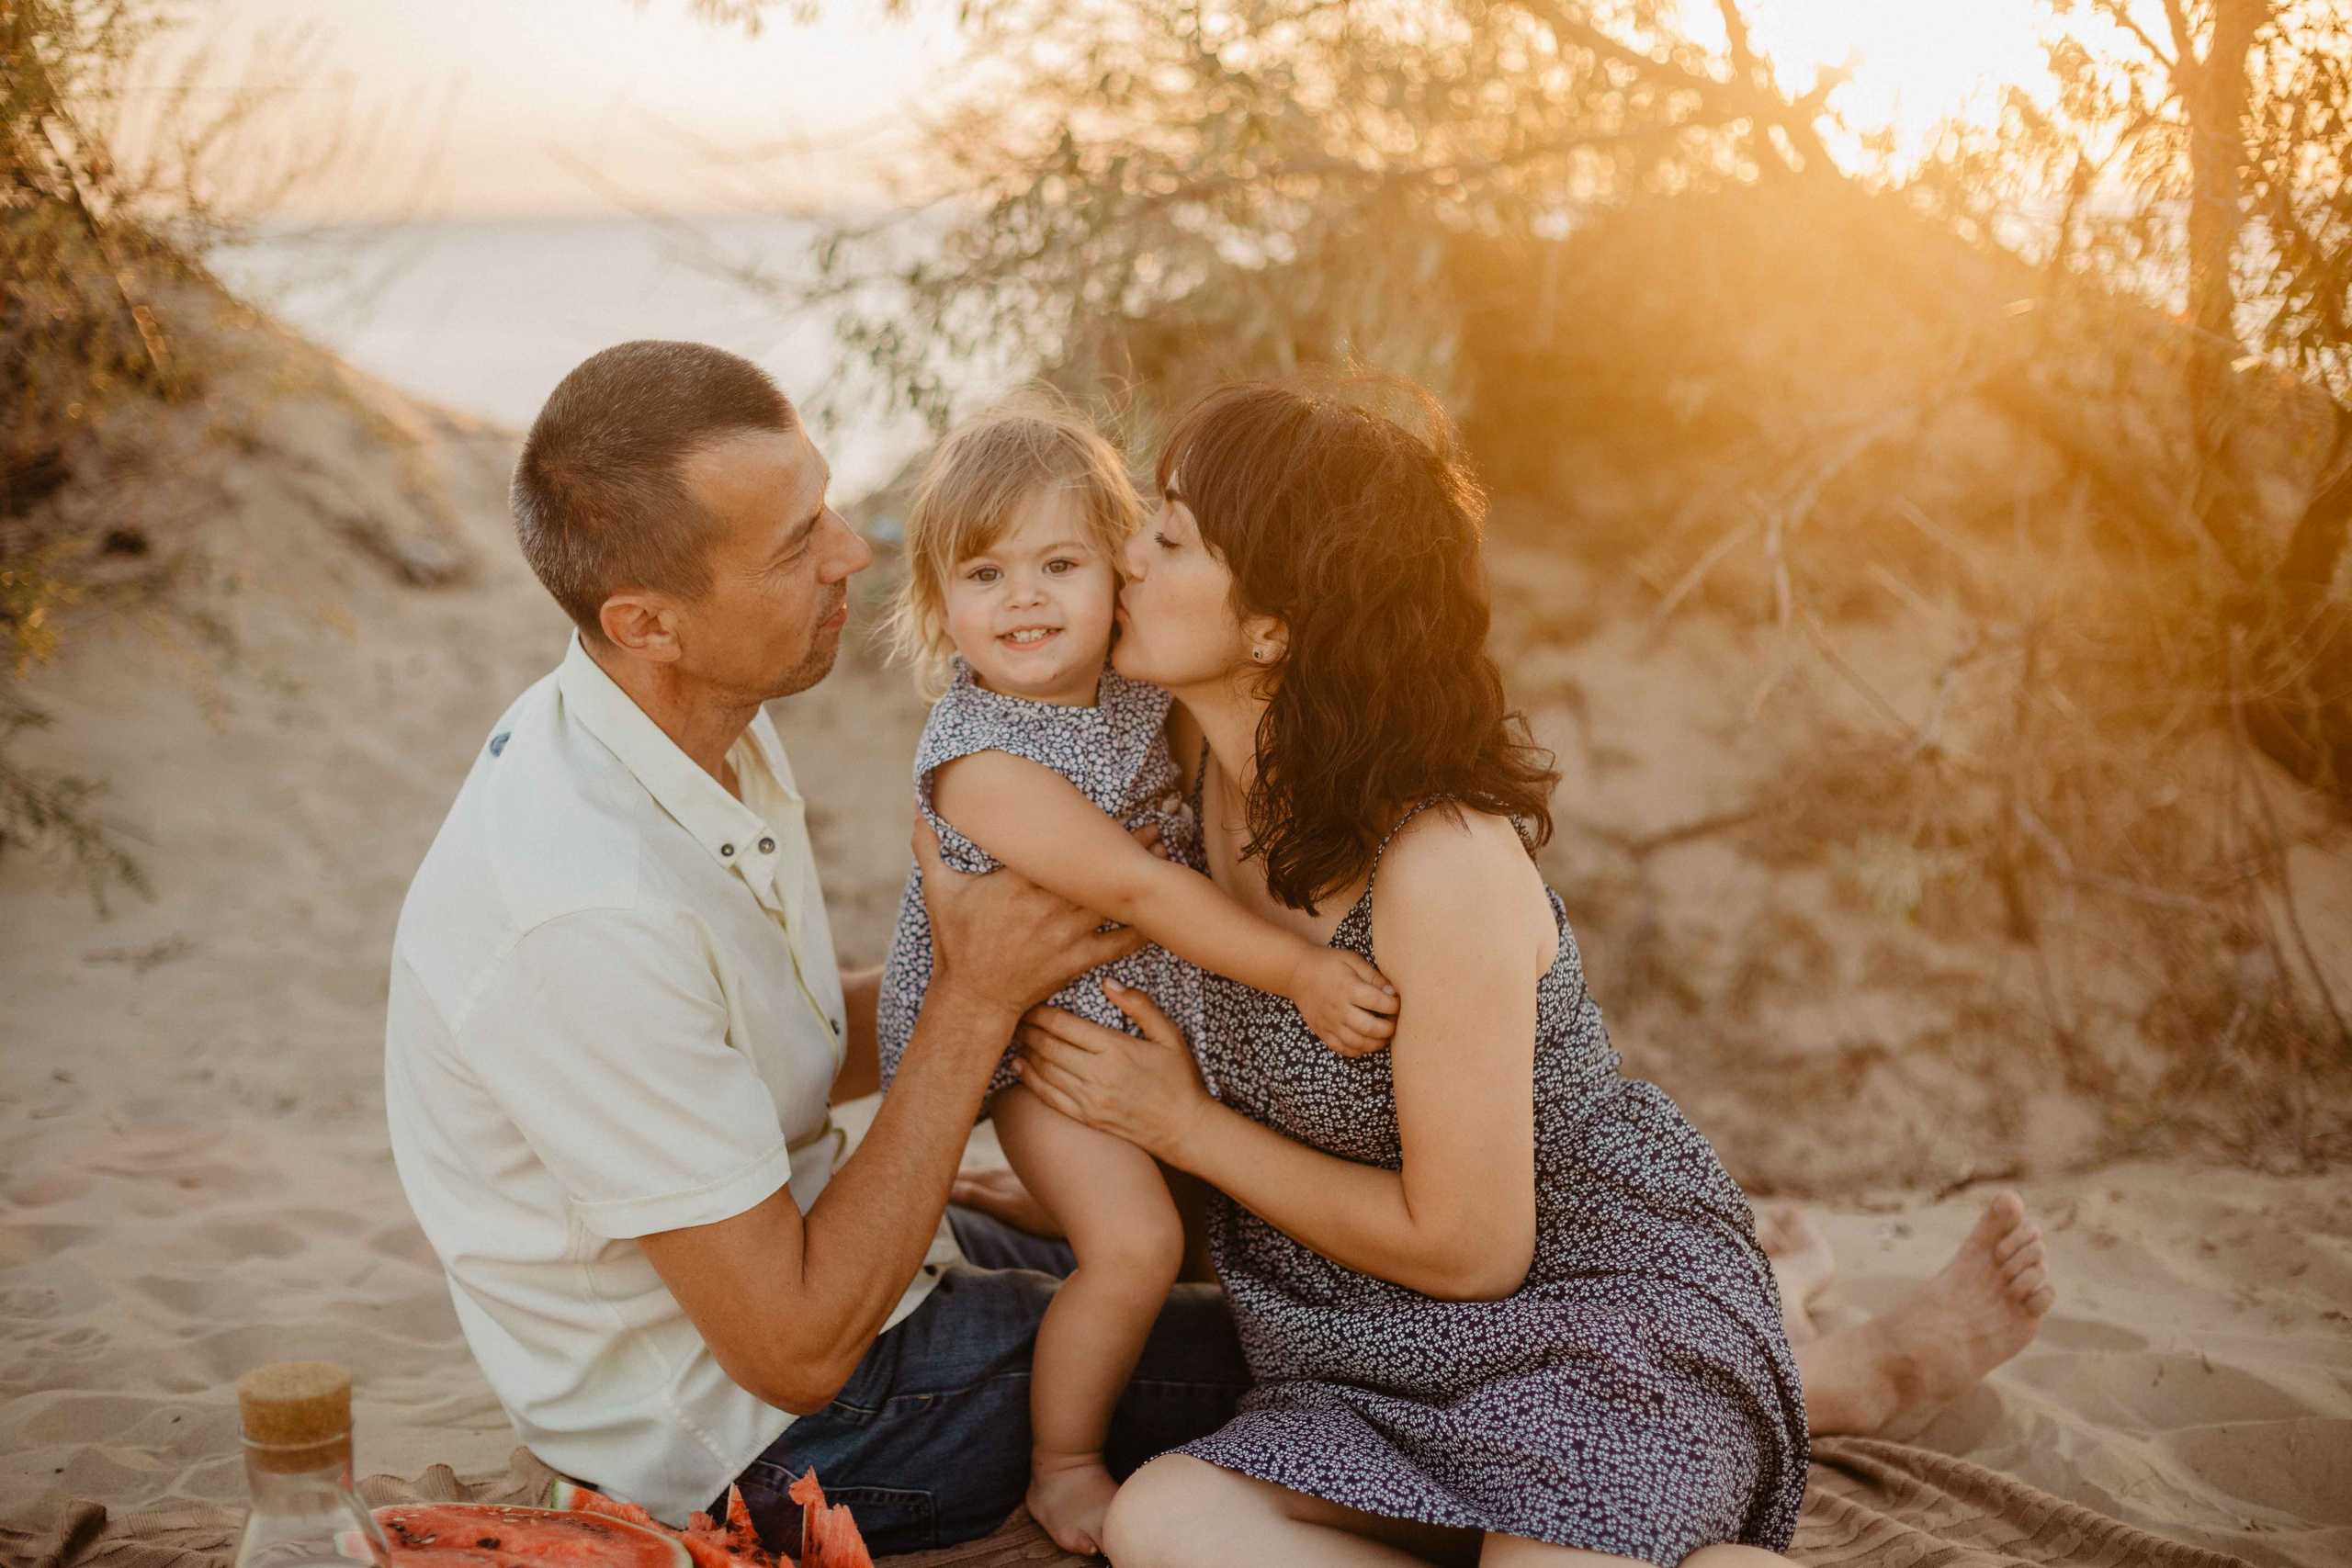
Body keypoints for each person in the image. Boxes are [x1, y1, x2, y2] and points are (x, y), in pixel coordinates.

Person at [1007, 378, 2059, 1566]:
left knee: (1542, 1553)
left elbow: (1471, 1248)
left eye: (1171, 535)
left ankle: (1822, 1375)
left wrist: (1181, 1125)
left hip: (1595, 1314)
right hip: (1363, 1347)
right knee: (1164, 1518)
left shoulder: (1440, 864)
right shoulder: (1168, 766)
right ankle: (1800, 1391)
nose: (1125, 554)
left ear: (1276, 623)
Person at [382, 342, 1255, 1558]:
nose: (854, 550)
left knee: (1253, 1245)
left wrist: (996, 1010)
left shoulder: (687, 720)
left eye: (827, 503)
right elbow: (790, 1348)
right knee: (1295, 1352)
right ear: (651, 621)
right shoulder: (578, 908)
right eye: (797, 544)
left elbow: (761, 1031)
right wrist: (974, 999)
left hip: (811, 1234)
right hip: (768, 1424)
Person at [870, 399, 1398, 1553]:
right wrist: (1302, 973)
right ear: (935, 603)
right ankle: (1062, 1463)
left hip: (1122, 1012)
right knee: (1137, 1248)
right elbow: (1150, 892)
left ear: (1118, 575)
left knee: (1231, 1219)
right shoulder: (983, 765)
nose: (1023, 598)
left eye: (1059, 564)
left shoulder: (1132, 694)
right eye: (984, 571)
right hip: (1028, 1051)